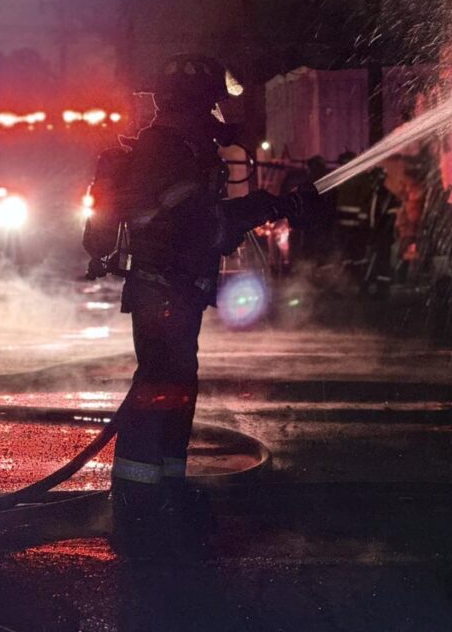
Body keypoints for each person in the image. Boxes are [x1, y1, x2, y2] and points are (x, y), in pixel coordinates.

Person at [108, 54, 320, 555]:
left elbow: (204, 222)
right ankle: (139, 501)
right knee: (162, 387)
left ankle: (163, 492)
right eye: (211, 102)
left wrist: (272, 204)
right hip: (164, 285)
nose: (218, 114)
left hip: (176, 286)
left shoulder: (180, 146)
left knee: (175, 387)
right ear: (193, 102)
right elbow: (199, 222)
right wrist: (268, 205)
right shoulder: (168, 150)